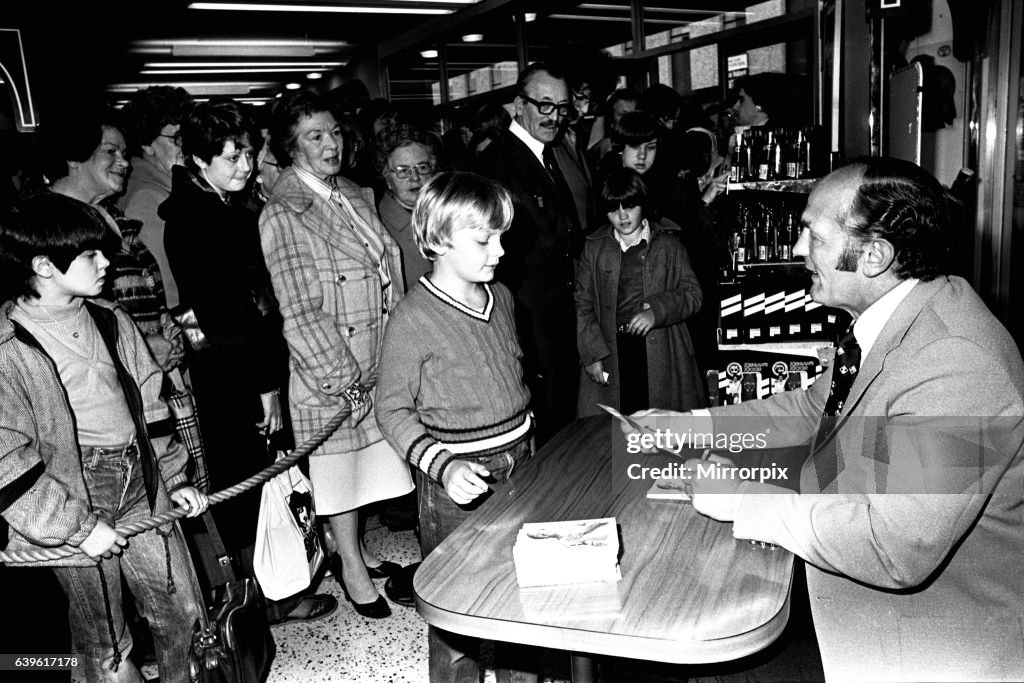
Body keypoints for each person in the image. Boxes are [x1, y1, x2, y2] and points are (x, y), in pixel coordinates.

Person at [629, 158, 1024, 682]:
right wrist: (690, 425)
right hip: (859, 614)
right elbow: (813, 408)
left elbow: (893, 547)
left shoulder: (959, 362)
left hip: (923, 646)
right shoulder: (896, 317)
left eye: (812, 235)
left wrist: (741, 498)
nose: (796, 250)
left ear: (875, 256)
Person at [0, 192, 207, 683]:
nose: (106, 263)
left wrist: (173, 476)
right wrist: (75, 526)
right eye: (91, 253)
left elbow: (151, 405)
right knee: (107, 644)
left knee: (183, 610)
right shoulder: (8, 346)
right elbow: (5, 458)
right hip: (73, 495)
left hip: (142, 482)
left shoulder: (111, 317)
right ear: (44, 265)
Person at [160, 98, 337, 625]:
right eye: (231, 157)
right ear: (198, 159)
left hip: (245, 364)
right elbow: (226, 314)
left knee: (268, 477)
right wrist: (264, 386)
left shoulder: (219, 204)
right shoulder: (195, 218)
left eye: (248, 154)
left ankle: (277, 586)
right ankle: (271, 596)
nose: (244, 166)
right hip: (236, 374)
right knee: (254, 483)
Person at [375, 171, 538, 683]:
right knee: (456, 611)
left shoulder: (503, 297)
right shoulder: (411, 318)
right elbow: (392, 410)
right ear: (440, 240)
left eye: (501, 237)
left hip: (522, 465)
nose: (500, 251)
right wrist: (442, 467)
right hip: (456, 480)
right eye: (484, 239)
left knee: (523, 595)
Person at [259, 91, 414, 619]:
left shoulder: (352, 192)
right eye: (315, 137)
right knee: (338, 476)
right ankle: (350, 566)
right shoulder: (283, 211)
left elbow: (385, 272)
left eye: (335, 133)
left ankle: (359, 550)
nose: (331, 144)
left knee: (368, 468)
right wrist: (342, 378)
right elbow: (299, 311)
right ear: (290, 147)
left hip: (375, 358)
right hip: (331, 369)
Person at [474, 61, 581, 445]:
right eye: (545, 105)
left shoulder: (548, 154)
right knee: (547, 430)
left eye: (562, 107)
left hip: (553, 317)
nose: (555, 116)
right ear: (519, 105)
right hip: (528, 321)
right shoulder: (499, 162)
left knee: (561, 423)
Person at [42, 107, 184, 375]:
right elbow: (58, 323)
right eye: (110, 151)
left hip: (153, 382)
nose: (124, 162)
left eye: (124, 153)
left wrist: (168, 333)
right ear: (75, 156)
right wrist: (139, 349)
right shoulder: (44, 227)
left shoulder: (115, 217)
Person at [601, 110, 724, 382]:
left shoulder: (672, 185)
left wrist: (702, 205)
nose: (643, 156)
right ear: (619, 148)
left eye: (651, 148)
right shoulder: (605, 186)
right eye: (635, 147)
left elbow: (693, 249)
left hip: (665, 304)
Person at [576, 167, 704, 417]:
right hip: (612, 350)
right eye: (614, 209)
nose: (622, 216)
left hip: (663, 352)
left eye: (630, 206)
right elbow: (583, 303)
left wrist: (657, 311)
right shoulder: (594, 248)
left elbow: (693, 294)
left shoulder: (669, 245)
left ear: (642, 205)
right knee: (614, 430)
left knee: (661, 428)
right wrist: (591, 354)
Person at [118, 86, 194, 308]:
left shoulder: (159, 187)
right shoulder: (148, 198)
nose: (185, 145)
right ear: (146, 144)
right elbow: (168, 284)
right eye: (176, 137)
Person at [376, 124, 441, 290]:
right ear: (387, 179)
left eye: (422, 167)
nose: (415, 178)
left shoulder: (448, 213)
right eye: (403, 171)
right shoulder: (378, 227)